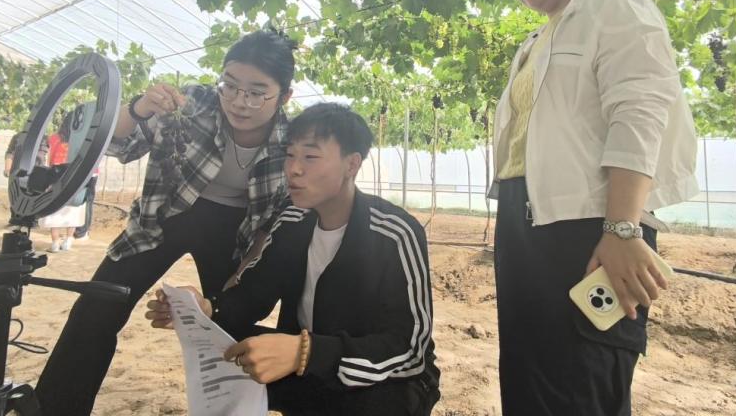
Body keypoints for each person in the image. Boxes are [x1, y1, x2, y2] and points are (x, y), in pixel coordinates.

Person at [469, 0, 698, 415]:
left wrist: (622, 228)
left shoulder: (611, 5)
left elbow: (639, 111)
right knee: (528, 380)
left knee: (583, 382)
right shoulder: (533, 43)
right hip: (522, 226)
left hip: (591, 228)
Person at [35, 30, 296, 416]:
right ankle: (54, 410)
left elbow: (271, 221)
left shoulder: (291, 142)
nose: (240, 102)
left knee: (229, 324)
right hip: (165, 215)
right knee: (97, 307)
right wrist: (140, 108)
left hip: (234, 232)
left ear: (284, 96)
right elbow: (118, 145)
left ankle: (231, 409)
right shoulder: (193, 103)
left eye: (257, 92)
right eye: (230, 85)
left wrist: (241, 276)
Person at [145, 103, 440, 415]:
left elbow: (409, 349)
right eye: (289, 155)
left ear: (351, 164)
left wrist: (307, 352)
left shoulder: (393, 233)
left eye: (310, 157)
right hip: (310, 365)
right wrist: (207, 308)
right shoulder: (292, 221)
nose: (293, 169)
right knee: (227, 346)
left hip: (383, 380)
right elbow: (253, 294)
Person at [39, 114, 83, 252]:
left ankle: (55, 243)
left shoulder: (53, 138)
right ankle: (68, 241)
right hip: (74, 177)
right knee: (73, 209)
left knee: (55, 210)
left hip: (56, 177)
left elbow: (48, 157)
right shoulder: (81, 139)